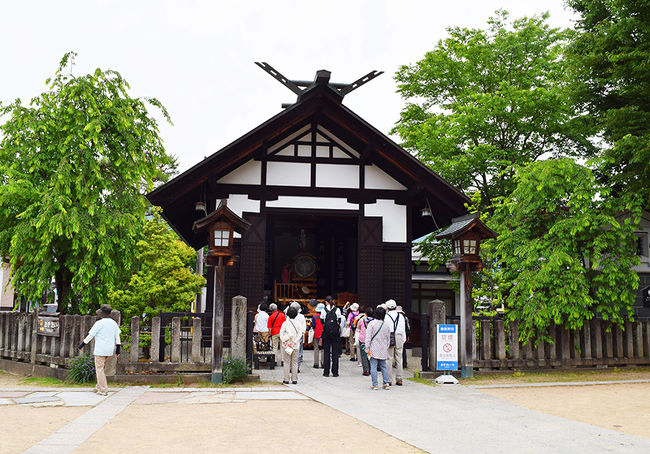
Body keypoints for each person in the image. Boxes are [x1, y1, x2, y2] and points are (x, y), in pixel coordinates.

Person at [77, 304, 121, 396]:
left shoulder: (99, 323)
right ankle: (98, 386)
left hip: (100, 349)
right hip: (110, 350)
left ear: (101, 314)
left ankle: (103, 389)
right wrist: (118, 350)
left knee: (99, 369)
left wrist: (81, 345)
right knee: (101, 368)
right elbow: (117, 337)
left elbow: (90, 336)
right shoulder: (114, 323)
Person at [364, 306, 391, 390]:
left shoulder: (372, 323)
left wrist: (367, 347)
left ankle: (375, 384)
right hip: (383, 348)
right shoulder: (386, 325)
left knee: (373, 366)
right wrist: (386, 347)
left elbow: (368, 337)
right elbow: (388, 338)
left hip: (373, 348)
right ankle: (386, 383)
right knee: (383, 366)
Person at [320, 296, 344, 377]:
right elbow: (339, 321)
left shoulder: (323, 310)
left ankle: (326, 372)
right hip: (335, 334)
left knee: (326, 353)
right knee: (335, 353)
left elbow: (322, 322)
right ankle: (335, 372)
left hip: (326, 334)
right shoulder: (337, 310)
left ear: (326, 302)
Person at [280, 306, 304, 384]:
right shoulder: (299, 324)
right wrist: (294, 342)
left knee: (286, 362)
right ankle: (294, 379)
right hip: (295, 345)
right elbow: (300, 334)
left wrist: (285, 342)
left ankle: (286, 379)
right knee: (294, 362)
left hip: (286, 345)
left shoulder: (285, 323)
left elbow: (281, 334)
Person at [386, 299, 407, 386]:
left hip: (389, 336)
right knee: (399, 358)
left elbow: (385, 328)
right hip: (399, 336)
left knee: (389, 358)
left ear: (387, 307)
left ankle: (389, 379)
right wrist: (403, 339)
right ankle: (399, 378)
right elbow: (403, 329)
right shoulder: (400, 316)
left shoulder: (386, 316)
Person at [289, 301, 307, 372]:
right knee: (299, 352)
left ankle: (290, 367)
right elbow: (304, 327)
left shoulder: (289, 317)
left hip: (291, 335)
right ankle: (297, 367)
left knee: (290, 350)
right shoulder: (302, 316)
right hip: (299, 336)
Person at [357, 306, 374, 376]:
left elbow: (358, 327)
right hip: (371, 340)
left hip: (363, 339)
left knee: (364, 355)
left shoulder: (362, 320)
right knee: (370, 354)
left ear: (366, 313)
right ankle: (371, 369)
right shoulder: (374, 321)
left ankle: (366, 370)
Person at [312, 301, 325, 368]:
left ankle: (316, 363)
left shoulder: (314, 316)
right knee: (323, 349)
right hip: (323, 334)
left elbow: (313, 325)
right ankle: (323, 363)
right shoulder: (325, 316)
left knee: (316, 348)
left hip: (316, 333)